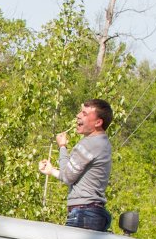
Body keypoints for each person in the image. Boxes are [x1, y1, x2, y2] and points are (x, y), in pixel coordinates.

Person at [38, 99, 113, 231]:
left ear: (98, 122)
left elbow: (67, 177)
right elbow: (70, 174)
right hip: (94, 213)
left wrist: (62, 146)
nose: (78, 115)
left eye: (84, 113)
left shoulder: (89, 144)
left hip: (84, 214)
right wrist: (51, 170)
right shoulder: (103, 142)